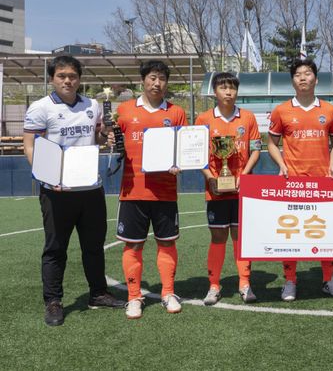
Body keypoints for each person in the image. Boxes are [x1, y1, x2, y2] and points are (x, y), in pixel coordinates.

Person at [23, 55, 125, 326]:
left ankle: (98, 293)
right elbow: (30, 146)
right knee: (55, 248)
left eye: (72, 76)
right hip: (56, 191)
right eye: (61, 76)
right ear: (52, 78)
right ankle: (53, 301)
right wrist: (46, 175)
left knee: (94, 246)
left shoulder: (92, 105)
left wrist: (106, 136)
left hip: (90, 188)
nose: (67, 80)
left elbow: (97, 138)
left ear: (79, 79)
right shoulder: (40, 108)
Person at [267, 58, 333, 301]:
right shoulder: (281, 110)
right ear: (292, 81)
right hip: (292, 181)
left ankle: (328, 279)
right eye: (298, 74)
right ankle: (290, 280)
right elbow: (271, 143)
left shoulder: (330, 110)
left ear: (316, 79)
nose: (303, 77)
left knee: (324, 232)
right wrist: (281, 164)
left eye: (308, 73)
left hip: (323, 182)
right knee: (290, 233)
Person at [115, 60, 187, 319]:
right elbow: (112, 141)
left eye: (162, 79)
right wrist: (107, 138)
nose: (157, 83)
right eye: (152, 78)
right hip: (133, 191)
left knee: (166, 243)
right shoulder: (124, 110)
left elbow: (183, 148)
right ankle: (134, 297)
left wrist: (180, 162)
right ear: (143, 80)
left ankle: (168, 292)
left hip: (165, 191)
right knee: (133, 246)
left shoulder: (176, 112)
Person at [195, 72, 261, 305]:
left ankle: (244, 283)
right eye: (223, 87)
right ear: (215, 91)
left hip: (243, 188)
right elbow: (197, 154)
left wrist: (244, 174)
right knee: (218, 236)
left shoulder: (248, 117)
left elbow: (255, 149)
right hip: (216, 189)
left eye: (232, 88)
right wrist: (210, 178)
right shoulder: (203, 119)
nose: (228, 92)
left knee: (240, 236)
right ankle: (214, 285)